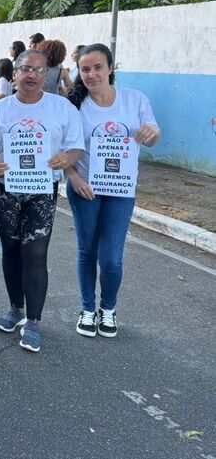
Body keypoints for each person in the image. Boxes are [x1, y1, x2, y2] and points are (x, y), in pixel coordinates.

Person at [0, 48, 84, 353]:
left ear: (46, 75)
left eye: (39, 70)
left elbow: (76, 147)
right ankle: (16, 308)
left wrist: (67, 158)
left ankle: (34, 321)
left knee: (36, 254)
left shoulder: (62, 107)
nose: (32, 75)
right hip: (6, 190)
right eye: (26, 68)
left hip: (41, 190)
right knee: (11, 249)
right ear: (14, 73)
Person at [65, 43, 160, 339]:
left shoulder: (134, 100)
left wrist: (152, 134)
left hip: (120, 189)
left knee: (111, 257)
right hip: (85, 188)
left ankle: (108, 307)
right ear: (79, 72)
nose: (91, 74)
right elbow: (63, 150)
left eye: (97, 67)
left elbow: (152, 135)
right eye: (85, 69)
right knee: (87, 250)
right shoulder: (74, 106)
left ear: (110, 68)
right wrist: (73, 178)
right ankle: (87, 308)